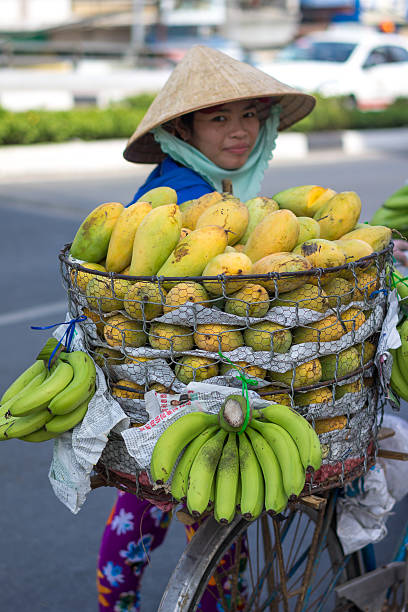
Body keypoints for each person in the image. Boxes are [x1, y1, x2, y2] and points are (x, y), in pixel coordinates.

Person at [96, 44, 316, 611]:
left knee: (151, 507)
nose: (240, 131)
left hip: (181, 375)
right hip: (178, 380)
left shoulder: (225, 190)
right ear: (185, 131)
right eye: (219, 118)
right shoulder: (187, 195)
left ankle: (118, 602)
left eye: (250, 115)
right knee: (198, 508)